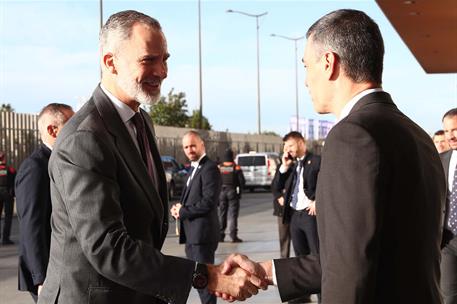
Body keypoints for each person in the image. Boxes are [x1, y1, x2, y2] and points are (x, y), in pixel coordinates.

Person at [221, 9, 446, 304]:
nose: (305, 81)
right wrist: (265, 271)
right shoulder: (416, 134)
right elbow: (356, 254)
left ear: (328, 63)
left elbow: (349, 274)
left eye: (305, 66)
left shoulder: (352, 135)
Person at [38, 10, 264, 304]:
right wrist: (208, 275)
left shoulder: (141, 121)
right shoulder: (85, 138)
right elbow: (108, 247)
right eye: (148, 60)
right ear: (110, 62)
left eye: (165, 59)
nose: (162, 71)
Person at [15, 103, 74, 302]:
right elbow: (31, 226)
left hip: (64, 270)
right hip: (49, 275)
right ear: (52, 130)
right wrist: (41, 280)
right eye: (71, 124)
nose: (77, 129)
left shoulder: (59, 161)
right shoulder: (36, 167)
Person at [170, 131, 221, 304]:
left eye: (193, 145)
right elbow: (192, 199)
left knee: (204, 281)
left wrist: (184, 211)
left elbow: (209, 202)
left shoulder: (209, 168)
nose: (190, 150)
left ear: (202, 145)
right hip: (192, 235)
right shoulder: (193, 168)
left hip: (202, 236)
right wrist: (179, 209)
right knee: (199, 281)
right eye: (186, 147)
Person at [271, 131, 320, 303]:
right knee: (300, 258)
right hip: (294, 216)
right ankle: (303, 295)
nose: (287, 150)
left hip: (309, 215)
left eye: (290, 145)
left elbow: (327, 182)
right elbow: (276, 186)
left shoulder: (316, 161)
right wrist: (283, 167)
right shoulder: (290, 165)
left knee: (316, 256)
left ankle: (323, 296)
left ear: (301, 143)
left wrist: (318, 200)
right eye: (285, 147)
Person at [440, 108, 457, 304]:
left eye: (455, 130)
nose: (451, 136)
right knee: (449, 297)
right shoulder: (441, 160)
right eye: (447, 131)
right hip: (447, 240)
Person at [218, 148, 245, 243]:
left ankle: (220, 235)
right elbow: (242, 182)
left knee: (222, 214)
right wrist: (239, 192)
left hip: (221, 192)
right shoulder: (236, 167)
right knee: (233, 215)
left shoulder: (220, 167)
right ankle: (233, 236)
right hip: (232, 191)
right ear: (232, 156)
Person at [0, 151, 16, 245]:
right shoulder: (10, 170)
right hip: (8, 194)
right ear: (4, 158)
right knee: (7, 217)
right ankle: (5, 239)